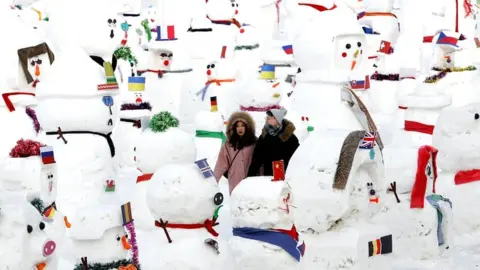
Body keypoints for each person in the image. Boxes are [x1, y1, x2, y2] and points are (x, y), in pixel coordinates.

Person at [214, 111, 257, 194]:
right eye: (237, 126)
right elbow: (220, 165)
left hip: (251, 183)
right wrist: (213, 183)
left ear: (247, 127)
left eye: (242, 126)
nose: (240, 128)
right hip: (235, 184)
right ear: (234, 128)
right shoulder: (228, 145)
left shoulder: (254, 143)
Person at [248, 108, 299, 176]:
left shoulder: (290, 138)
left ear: (276, 119)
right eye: (267, 117)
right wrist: (252, 172)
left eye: (270, 117)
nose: (267, 118)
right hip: (267, 174)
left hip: (285, 174)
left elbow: (296, 157)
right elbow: (258, 155)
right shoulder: (265, 136)